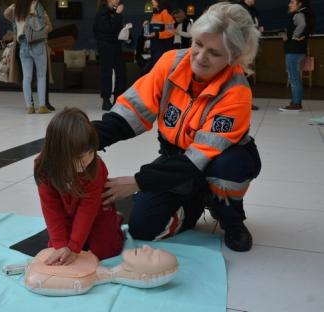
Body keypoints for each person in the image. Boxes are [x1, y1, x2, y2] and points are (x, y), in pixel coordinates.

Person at [93, 3, 262, 252]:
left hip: (216, 161)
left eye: (214, 53)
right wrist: (84, 139)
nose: (201, 57)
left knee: (229, 166)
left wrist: (138, 182)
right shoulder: (171, 63)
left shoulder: (236, 93)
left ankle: (231, 217)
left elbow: (199, 159)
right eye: (198, 44)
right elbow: (130, 112)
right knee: (142, 228)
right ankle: (195, 202)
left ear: (233, 57)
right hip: (177, 157)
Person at [35, 108, 124, 265]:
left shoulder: (96, 167)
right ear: (58, 153)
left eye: (91, 152)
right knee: (57, 251)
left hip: (98, 211)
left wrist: (74, 246)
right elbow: (51, 209)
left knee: (106, 252)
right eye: (79, 158)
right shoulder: (44, 169)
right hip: (67, 213)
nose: (87, 161)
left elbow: (88, 209)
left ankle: (115, 220)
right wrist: (62, 245)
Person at [6, 0, 50, 114]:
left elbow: (14, 26)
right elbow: (42, 23)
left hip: (23, 45)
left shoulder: (17, 7)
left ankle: (29, 107)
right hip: (37, 43)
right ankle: (42, 106)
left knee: (26, 77)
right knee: (41, 76)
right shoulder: (36, 5)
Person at [280, 0, 315, 112]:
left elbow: (302, 25)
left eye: (292, 2)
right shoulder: (304, 13)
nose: (289, 4)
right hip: (297, 50)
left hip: (293, 50)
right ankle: (296, 101)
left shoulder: (299, 14)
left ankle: (296, 104)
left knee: (294, 78)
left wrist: (294, 36)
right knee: (295, 77)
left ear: (299, 4)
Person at [93, 0, 127, 111]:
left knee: (121, 72)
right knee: (106, 73)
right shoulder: (102, 13)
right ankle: (106, 100)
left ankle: (118, 98)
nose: (117, 0)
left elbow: (117, 28)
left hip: (117, 46)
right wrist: (117, 14)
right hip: (105, 47)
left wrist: (126, 32)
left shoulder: (115, 12)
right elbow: (108, 29)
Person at [238, 0, 263, 111]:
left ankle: (245, 101)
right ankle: (242, 101)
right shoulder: (240, 8)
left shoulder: (253, 10)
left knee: (246, 73)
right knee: (243, 73)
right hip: (243, 45)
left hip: (249, 45)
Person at [142, 0, 175, 75]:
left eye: (153, 1)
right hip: (154, 47)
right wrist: (146, 25)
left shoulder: (166, 13)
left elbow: (170, 32)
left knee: (157, 70)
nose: (152, 2)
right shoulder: (155, 14)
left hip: (162, 48)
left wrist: (156, 34)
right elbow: (153, 29)